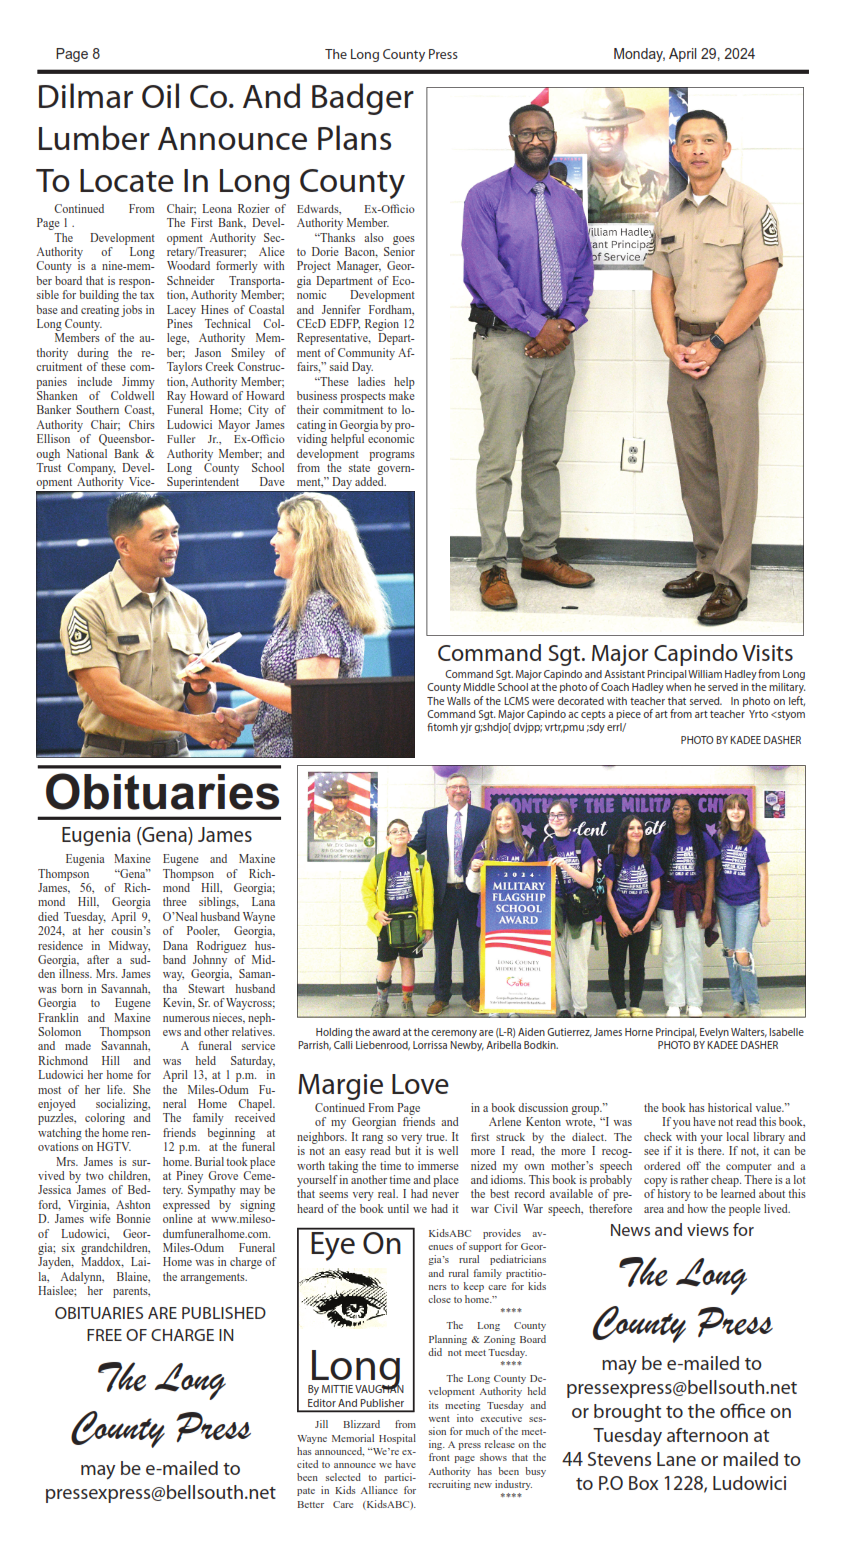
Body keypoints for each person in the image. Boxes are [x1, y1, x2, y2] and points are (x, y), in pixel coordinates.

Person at [645, 109, 783, 624]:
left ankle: (733, 581)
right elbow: (662, 285)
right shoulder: (668, 213)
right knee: (696, 464)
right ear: (677, 154)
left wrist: (717, 343)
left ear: (726, 149)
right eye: (688, 141)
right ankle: (706, 562)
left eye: (708, 140)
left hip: (733, 350)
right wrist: (669, 344)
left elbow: (761, 286)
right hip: (683, 350)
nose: (698, 149)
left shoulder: (753, 206)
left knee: (735, 467)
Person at [461, 103, 595, 611]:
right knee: (498, 459)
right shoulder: (485, 197)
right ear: (512, 140)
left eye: (543, 132)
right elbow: (485, 274)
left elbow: (583, 270)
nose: (535, 139)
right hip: (504, 344)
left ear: (555, 138)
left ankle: (540, 553)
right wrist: (536, 324)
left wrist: (566, 324)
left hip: (558, 346)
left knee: (545, 457)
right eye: (525, 133)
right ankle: (492, 564)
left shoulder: (567, 200)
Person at [183, 493, 390, 758]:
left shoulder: (320, 607)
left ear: (307, 543)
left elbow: (310, 701)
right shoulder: (306, 605)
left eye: (280, 532)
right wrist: (239, 715)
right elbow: (289, 697)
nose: (272, 541)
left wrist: (228, 676)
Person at [59, 493, 243, 757]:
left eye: (175, 533)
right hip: (112, 760)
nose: (172, 545)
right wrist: (190, 724)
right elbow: (109, 698)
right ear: (124, 545)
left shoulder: (190, 609)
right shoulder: (88, 607)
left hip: (177, 758)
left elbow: (202, 708)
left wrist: (200, 687)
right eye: (159, 537)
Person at [410, 774, 490, 1015]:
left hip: (471, 893)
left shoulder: (483, 817)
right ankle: (441, 997)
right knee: (442, 948)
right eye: (453, 786)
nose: (458, 790)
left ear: (468, 791)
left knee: (470, 947)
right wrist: (393, 855)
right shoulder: (431, 817)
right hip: (441, 894)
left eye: (462, 787)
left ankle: (472, 995)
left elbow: (493, 846)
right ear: (446, 791)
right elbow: (416, 846)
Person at [651, 795, 718, 1016]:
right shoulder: (662, 839)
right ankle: (674, 1001)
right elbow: (655, 874)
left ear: (692, 812)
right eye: (676, 808)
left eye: (685, 808)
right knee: (671, 952)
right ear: (671, 812)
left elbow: (710, 875)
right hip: (668, 901)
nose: (681, 811)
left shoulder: (702, 838)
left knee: (694, 952)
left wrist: (708, 908)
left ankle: (695, 1002)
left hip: (696, 902)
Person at [362, 819, 434, 1018]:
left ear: (410, 836)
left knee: (407, 962)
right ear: (388, 838)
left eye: (403, 830)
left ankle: (407, 1003)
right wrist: (375, 912)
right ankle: (381, 1002)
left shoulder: (420, 861)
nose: (399, 833)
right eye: (394, 831)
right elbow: (367, 890)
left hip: (411, 922)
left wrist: (427, 926)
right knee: (386, 963)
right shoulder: (378, 861)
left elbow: (428, 895)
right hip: (387, 922)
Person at [536, 799, 595, 1018]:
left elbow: (588, 881)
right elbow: (542, 881)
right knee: (559, 962)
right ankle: (563, 1008)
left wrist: (566, 866)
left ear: (570, 818)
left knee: (578, 963)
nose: (555, 819)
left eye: (561, 815)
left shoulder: (582, 843)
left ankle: (580, 1009)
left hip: (580, 909)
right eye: (552, 815)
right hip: (556, 910)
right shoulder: (545, 845)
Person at [715, 794, 771, 1016]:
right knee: (729, 952)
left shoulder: (755, 837)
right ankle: (737, 1002)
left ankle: (754, 1002)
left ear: (745, 811)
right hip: (724, 901)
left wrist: (764, 908)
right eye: (731, 808)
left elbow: (764, 875)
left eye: (740, 808)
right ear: (726, 812)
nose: (735, 812)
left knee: (742, 952)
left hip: (748, 902)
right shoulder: (720, 835)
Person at [603, 815, 663, 1017]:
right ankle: (621, 1006)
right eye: (631, 828)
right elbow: (608, 892)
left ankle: (636, 1004)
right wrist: (619, 922)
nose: (636, 831)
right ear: (624, 832)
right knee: (617, 965)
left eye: (639, 828)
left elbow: (656, 891)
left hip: (641, 919)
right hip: (617, 920)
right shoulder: (614, 859)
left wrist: (645, 920)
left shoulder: (649, 858)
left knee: (638, 966)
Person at [581, 87, 667, 222]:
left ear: (625, 131)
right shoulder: (569, 183)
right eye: (597, 129)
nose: (605, 137)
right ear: (587, 133)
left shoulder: (657, 184)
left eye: (612, 128)